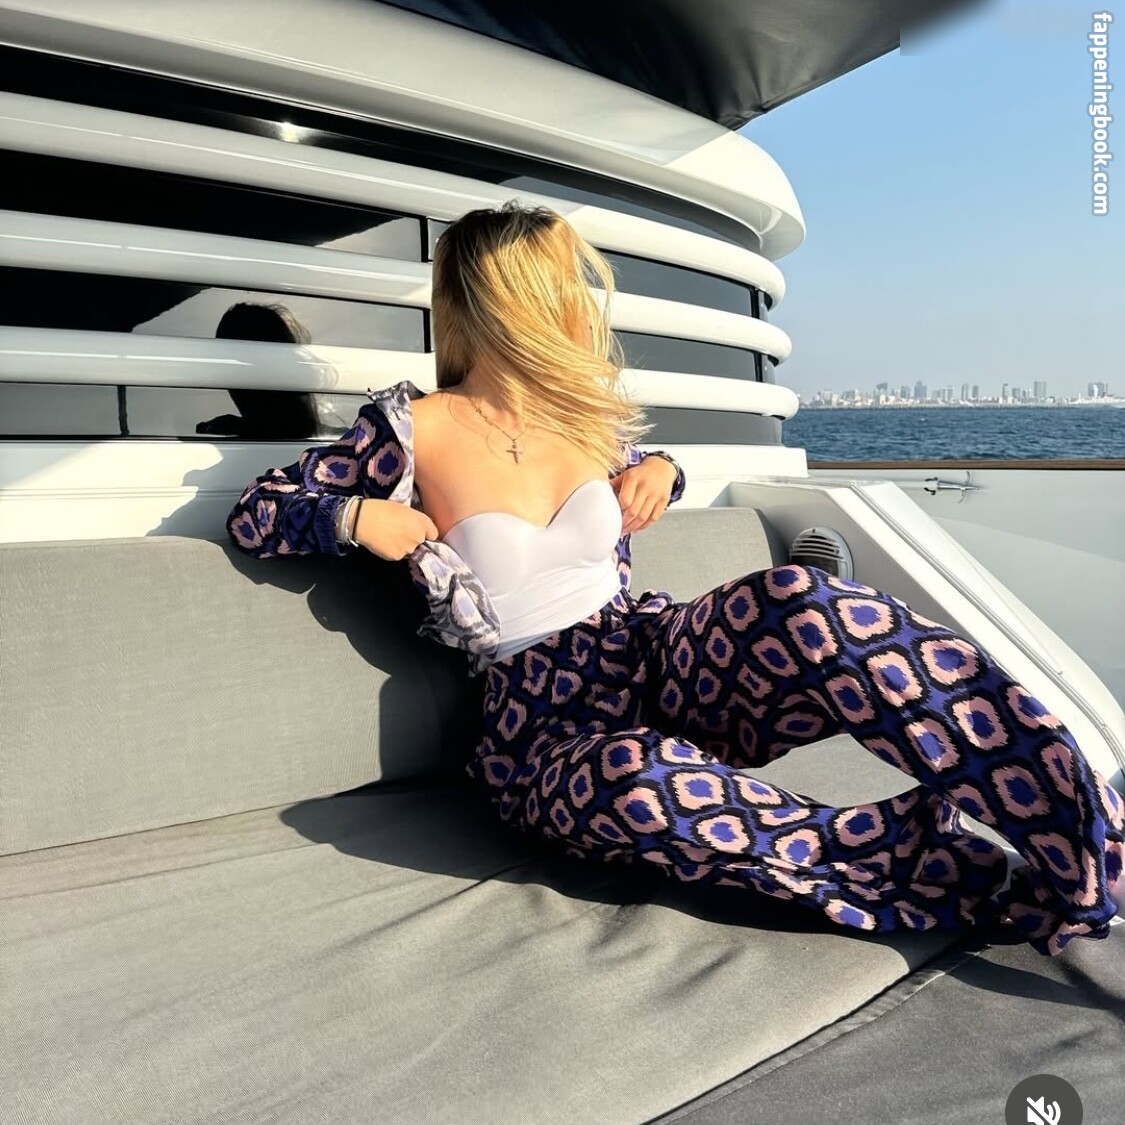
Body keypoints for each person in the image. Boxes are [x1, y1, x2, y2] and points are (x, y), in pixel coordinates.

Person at [226, 200, 1124, 958]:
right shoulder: (410, 428)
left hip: (652, 651)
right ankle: (940, 863)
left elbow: (645, 472)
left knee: (801, 603)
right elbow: (262, 510)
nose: (583, 305)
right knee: (636, 777)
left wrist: (664, 471)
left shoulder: (586, 419)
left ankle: (1080, 846)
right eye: (566, 284)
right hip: (546, 725)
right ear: (514, 298)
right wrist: (354, 517)